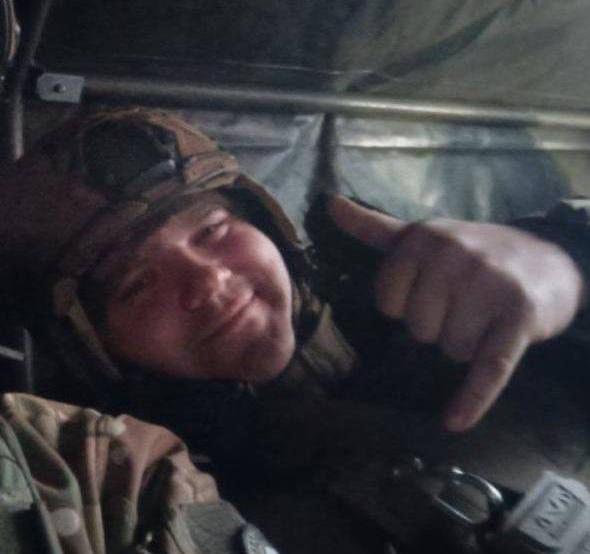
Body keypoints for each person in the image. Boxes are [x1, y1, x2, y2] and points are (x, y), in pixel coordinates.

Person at [2, 107, 590, 551]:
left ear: (266, 222)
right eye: (136, 285)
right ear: (93, 349)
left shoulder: (455, 298)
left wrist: (568, 270)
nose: (208, 281)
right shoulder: (129, 489)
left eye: (211, 231)